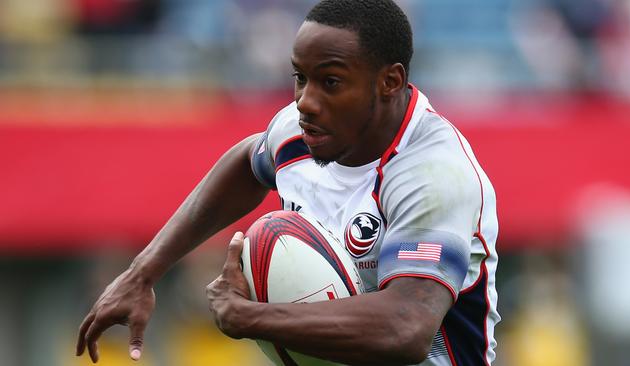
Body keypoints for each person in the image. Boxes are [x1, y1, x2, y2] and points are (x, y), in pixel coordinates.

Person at [76, 0, 500, 365]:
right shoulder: (303, 133)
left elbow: (407, 328)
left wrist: (248, 317)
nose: (305, 101)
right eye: (300, 77)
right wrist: (142, 272)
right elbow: (246, 161)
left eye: (330, 81)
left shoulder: (432, 174)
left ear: (389, 82)